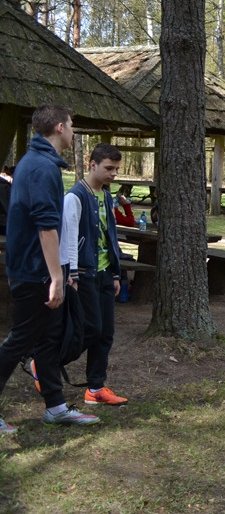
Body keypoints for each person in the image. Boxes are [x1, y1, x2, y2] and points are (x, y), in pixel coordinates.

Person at [0, 105, 100, 431]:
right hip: (34, 273)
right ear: (59, 127)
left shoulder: (36, 163)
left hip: (35, 269)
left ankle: (56, 407)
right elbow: (46, 227)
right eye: (71, 126)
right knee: (20, 340)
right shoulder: (42, 168)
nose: (73, 132)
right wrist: (58, 276)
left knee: (46, 340)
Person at [60, 143, 129, 406]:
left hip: (103, 274)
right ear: (92, 164)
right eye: (108, 168)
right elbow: (68, 240)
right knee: (89, 329)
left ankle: (96, 388)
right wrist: (72, 275)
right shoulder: (75, 197)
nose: (113, 174)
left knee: (106, 333)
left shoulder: (107, 196)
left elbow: (110, 236)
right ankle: (45, 364)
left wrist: (114, 273)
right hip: (83, 274)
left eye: (116, 169)